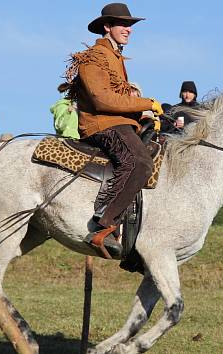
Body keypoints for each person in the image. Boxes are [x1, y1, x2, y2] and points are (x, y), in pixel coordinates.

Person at [64, 3, 163, 258]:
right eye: (122, 24)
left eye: (130, 25)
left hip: (118, 122)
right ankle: (104, 222)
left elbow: (119, 99)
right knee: (140, 162)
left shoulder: (115, 57)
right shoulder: (94, 57)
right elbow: (102, 100)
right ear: (107, 27)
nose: (128, 29)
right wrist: (147, 102)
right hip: (102, 124)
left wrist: (144, 114)